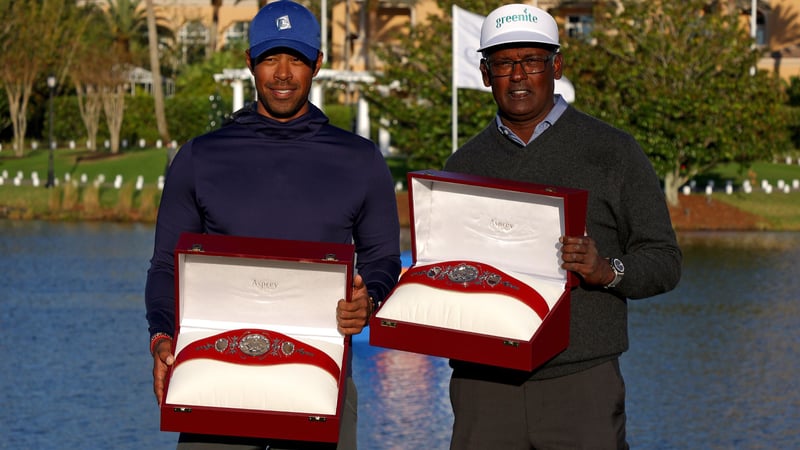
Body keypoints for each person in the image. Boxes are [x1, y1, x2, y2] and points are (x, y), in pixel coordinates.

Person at [144, 1, 401, 449]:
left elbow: (382, 258)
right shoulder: (199, 158)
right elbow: (166, 265)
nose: (283, 73)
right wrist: (162, 338)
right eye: (269, 58)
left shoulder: (360, 161)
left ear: (318, 64)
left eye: (296, 58)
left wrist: (370, 298)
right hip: (213, 381)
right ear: (249, 63)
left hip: (320, 380)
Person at [443, 4, 682, 449]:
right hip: (484, 388)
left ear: (556, 66)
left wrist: (607, 270)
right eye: (503, 64)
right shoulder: (462, 166)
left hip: (581, 384)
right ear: (483, 73)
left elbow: (665, 261)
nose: (518, 75)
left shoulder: (613, 151)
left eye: (532, 61)